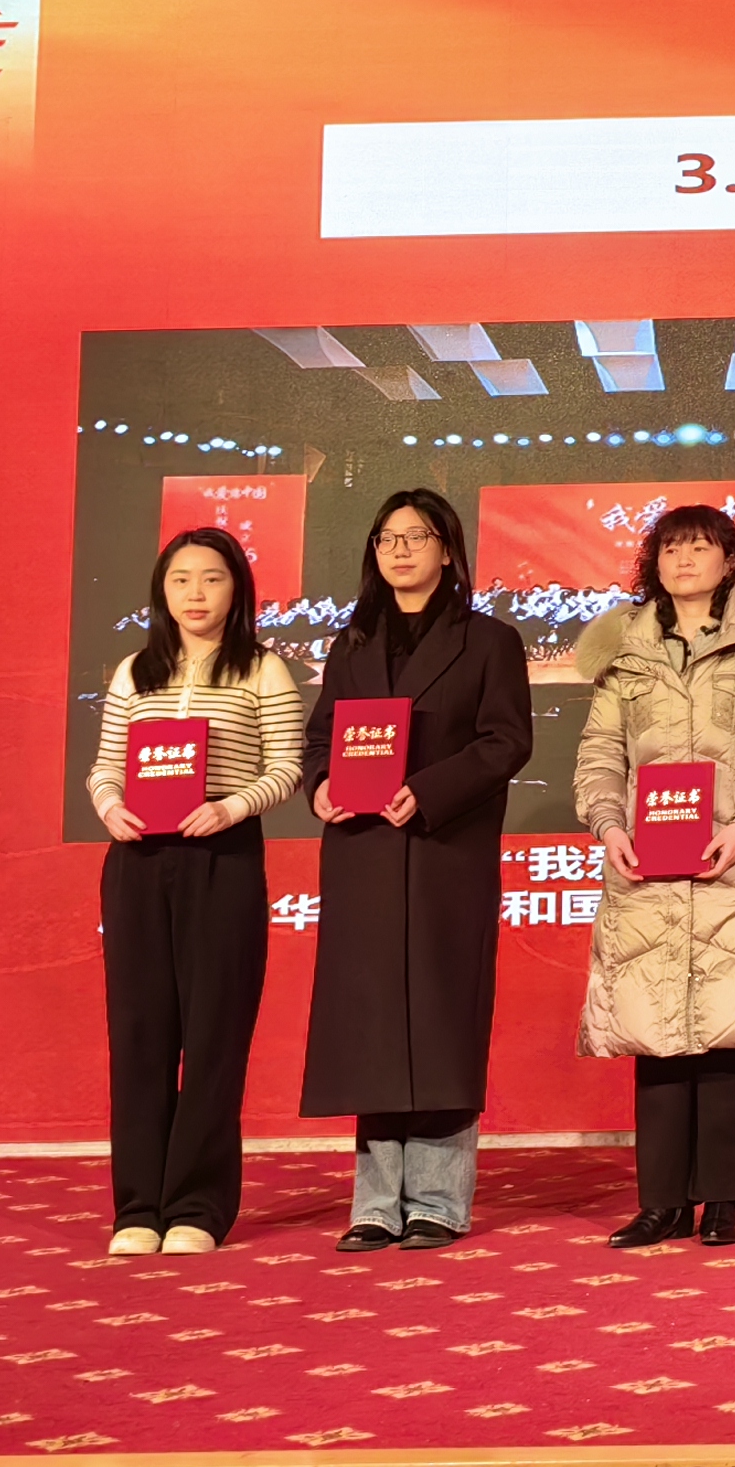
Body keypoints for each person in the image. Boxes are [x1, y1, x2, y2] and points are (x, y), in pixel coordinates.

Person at [568, 503, 735, 1250]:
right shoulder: (624, 652)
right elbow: (600, 754)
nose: (683, 561)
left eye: (700, 548)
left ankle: (725, 1199)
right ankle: (662, 1202)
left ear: (729, 561)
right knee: (656, 1033)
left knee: (728, 1031)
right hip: (646, 867)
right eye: (670, 548)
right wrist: (609, 825)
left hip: (733, 865)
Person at [299, 486, 532, 1252]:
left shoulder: (489, 641)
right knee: (370, 1022)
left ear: (448, 550)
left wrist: (427, 792)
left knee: (438, 1019)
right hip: (363, 854)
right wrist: (322, 784)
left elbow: (506, 742)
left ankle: (436, 1199)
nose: (399, 550)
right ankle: (375, 1203)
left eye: (416, 536)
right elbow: (321, 739)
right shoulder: (352, 643)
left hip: (442, 852)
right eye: (386, 538)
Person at [85, 525, 305, 1259]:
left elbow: (287, 765)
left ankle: (197, 1207)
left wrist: (230, 807)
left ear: (237, 588)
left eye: (211, 578)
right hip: (139, 862)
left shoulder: (263, 670)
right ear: (162, 590)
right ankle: (137, 1207)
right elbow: (106, 766)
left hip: (221, 859)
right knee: (140, 1035)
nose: (195, 594)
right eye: (180, 580)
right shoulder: (135, 671)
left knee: (213, 1036)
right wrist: (110, 806)